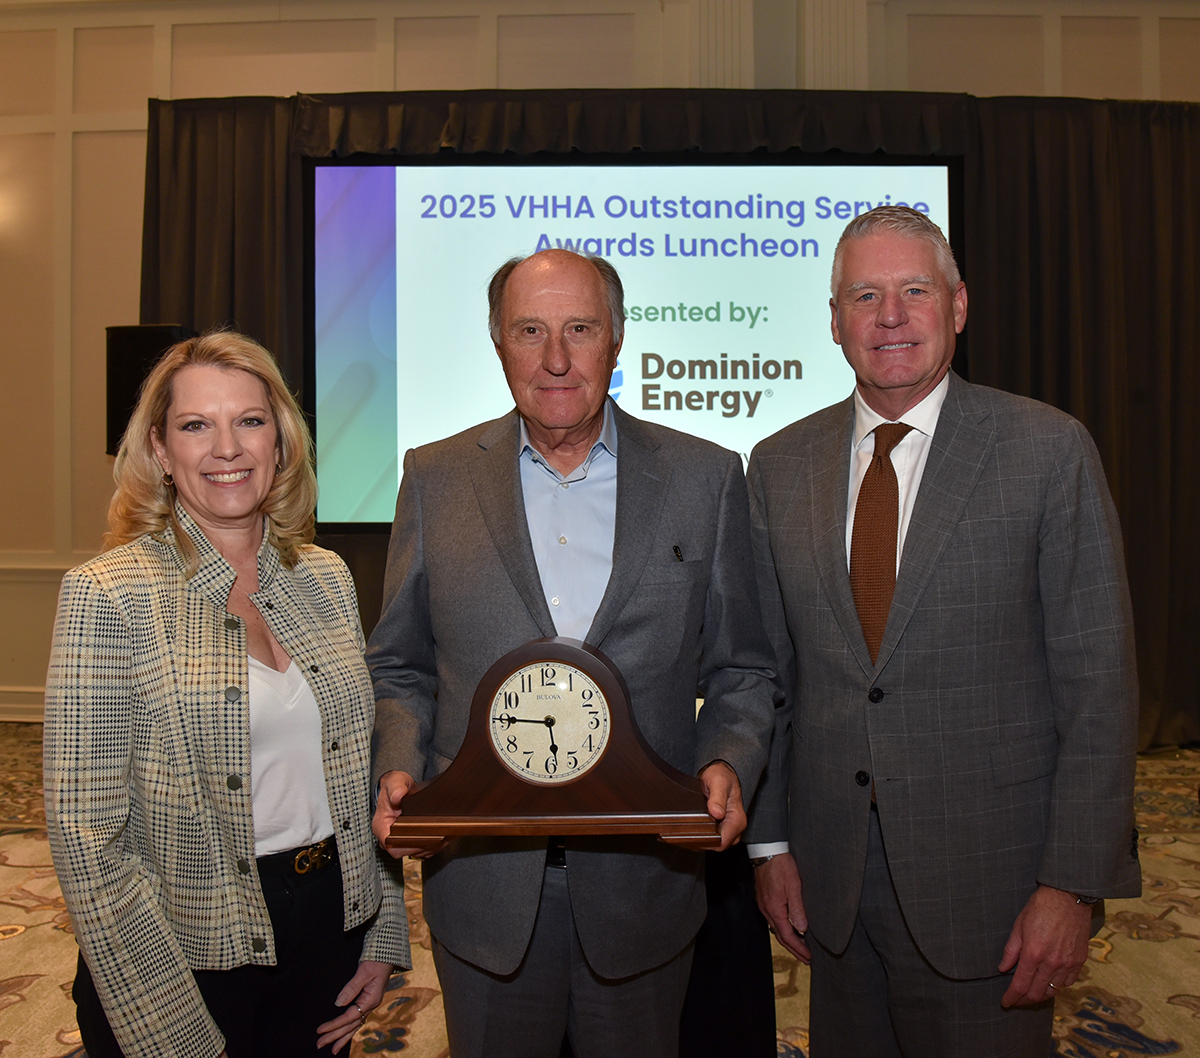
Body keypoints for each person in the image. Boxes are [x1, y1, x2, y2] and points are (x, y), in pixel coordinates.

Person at [746, 206, 1140, 1057]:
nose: (890, 316)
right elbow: (771, 676)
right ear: (835, 321)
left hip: (995, 888)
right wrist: (769, 846)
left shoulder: (1047, 450)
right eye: (865, 296)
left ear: (958, 306)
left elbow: (1099, 689)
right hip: (831, 883)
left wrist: (1073, 887)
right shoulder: (778, 465)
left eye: (914, 291)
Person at [367, 248, 776, 1058]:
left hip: (644, 890)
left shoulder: (705, 477)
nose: (555, 358)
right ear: (498, 343)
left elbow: (743, 669)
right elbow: (401, 664)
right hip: (484, 890)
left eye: (580, 329)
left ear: (616, 339)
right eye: (530, 331)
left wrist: (729, 759)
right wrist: (400, 763)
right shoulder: (435, 477)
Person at [44, 332, 410, 1058]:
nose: (227, 448)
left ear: (280, 440)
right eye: (195, 425)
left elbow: (361, 774)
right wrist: (169, 1028)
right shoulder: (108, 594)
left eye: (249, 420)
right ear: (159, 450)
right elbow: (87, 839)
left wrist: (381, 930)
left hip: (330, 927)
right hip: (178, 947)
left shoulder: (326, 577)